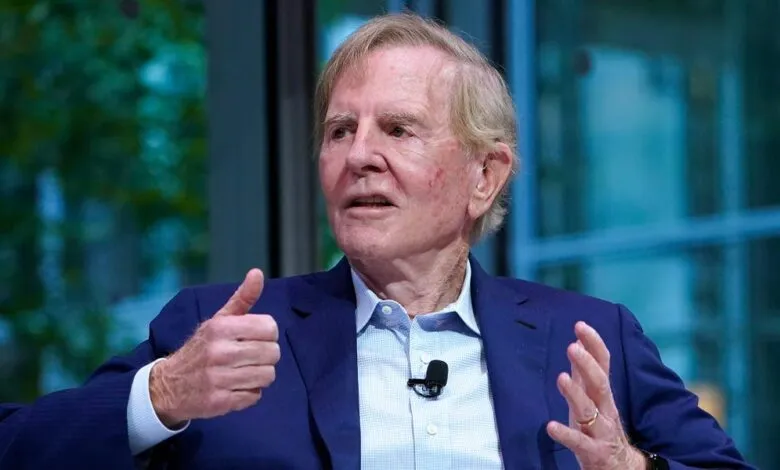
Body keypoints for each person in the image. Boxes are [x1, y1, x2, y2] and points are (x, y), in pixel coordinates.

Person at [0, 13, 752, 470]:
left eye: (397, 129)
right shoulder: (218, 333)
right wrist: (163, 394)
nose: (359, 155)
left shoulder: (590, 339)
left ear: (485, 175)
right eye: (339, 131)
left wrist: (630, 466)